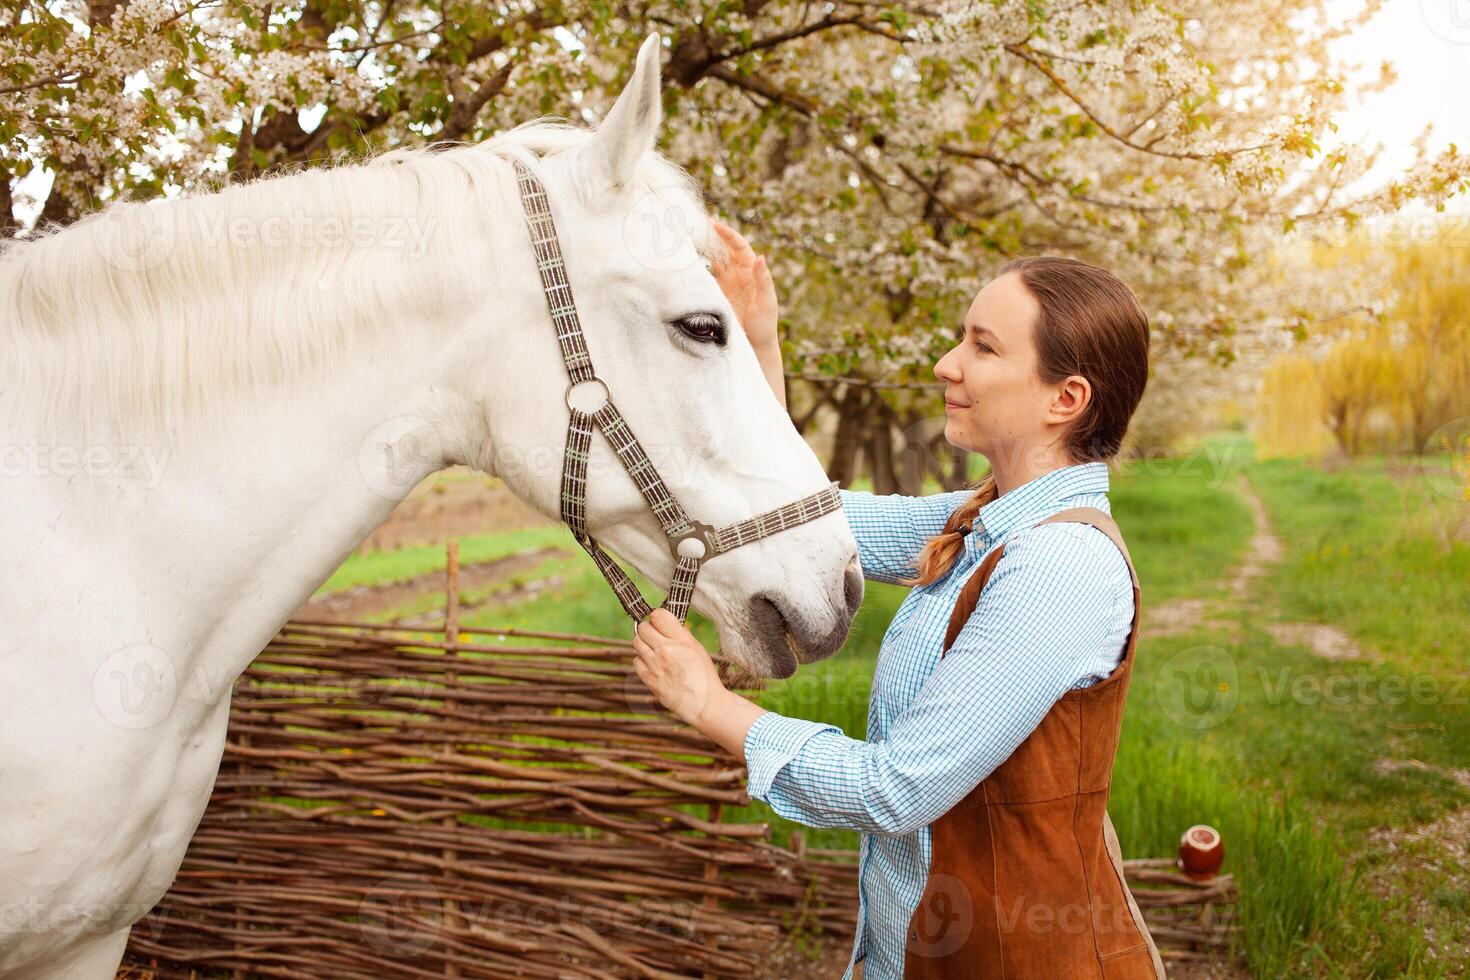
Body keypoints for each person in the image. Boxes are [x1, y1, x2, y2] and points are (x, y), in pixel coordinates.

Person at [632, 219, 1163, 980]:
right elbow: (801, 518)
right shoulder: (979, 521)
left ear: (1066, 399)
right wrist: (758, 345)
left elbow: (895, 789)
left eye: (984, 347)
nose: (948, 364)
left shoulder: (1059, 567)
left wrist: (707, 702)